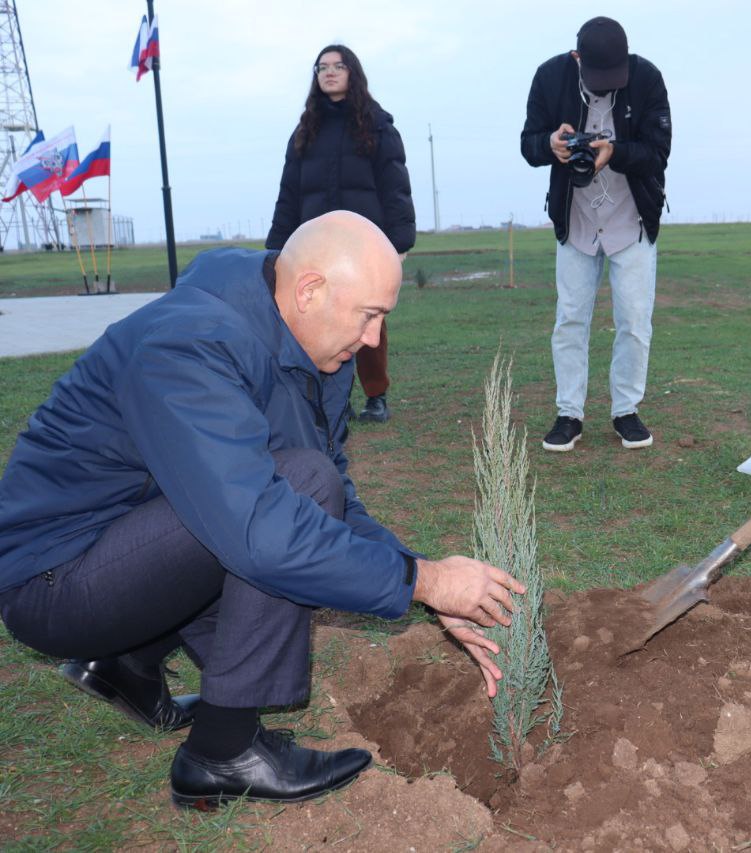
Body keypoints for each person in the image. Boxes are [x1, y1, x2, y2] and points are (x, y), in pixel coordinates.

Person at [0, 212, 523, 809]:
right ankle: (221, 753)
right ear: (309, 291)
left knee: (300, 487)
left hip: (122, 550)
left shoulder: (304, 342)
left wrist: (423, 576)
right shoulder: (189, 343)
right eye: (370, 315)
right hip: (52, 581)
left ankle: (130, 661)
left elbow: (335, 504)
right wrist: (424, 583)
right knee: (286, 499)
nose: (375, 339)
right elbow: (262, 527)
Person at [520, 17, 672, 452]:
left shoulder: (647, 78)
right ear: (576, 59)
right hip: (577, 221)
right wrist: (550, 143)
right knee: (569, 320)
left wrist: (616, 151)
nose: (606, 85)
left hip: (633, 220)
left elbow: (659, 151)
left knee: (635, 321)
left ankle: (626, 411)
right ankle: (569, 413)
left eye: (614, 76)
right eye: (596, 76)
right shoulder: (550, 77)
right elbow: (528, 144)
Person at [266, 44, 415, 425]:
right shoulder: (305, 131)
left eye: (338, 66)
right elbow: (289, 194)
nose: (329, 72)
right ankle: (331, 398)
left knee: (367, 321)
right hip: (314, 246)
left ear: (353, 72)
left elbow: (395, 186)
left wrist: (399, 243)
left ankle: (376, 395)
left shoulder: (377, 125)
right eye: (322, 67)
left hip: (364, 246)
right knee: (316, 320)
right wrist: (276, 249)